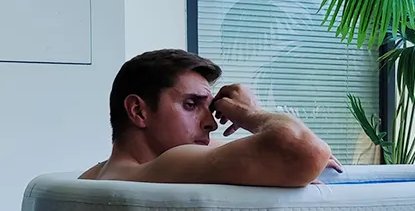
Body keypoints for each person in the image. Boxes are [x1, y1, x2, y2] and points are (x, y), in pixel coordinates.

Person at [79, 49, 342, 186]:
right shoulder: (160, 168)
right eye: (191, 104)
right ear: (138, 111)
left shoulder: (93, 176)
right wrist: (249, 112)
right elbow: (302, 150)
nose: (212, 123)